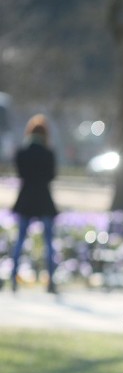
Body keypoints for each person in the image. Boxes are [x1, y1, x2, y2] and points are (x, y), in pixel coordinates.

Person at [5, 114, 59, 293]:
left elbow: (20, 174)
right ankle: (51, 281)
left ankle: (13, 279)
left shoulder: (22, 152)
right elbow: (52, 176)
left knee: (20, 241)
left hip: (26, 198)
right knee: (48, 243)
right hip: (43, 199)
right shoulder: (48, 153)